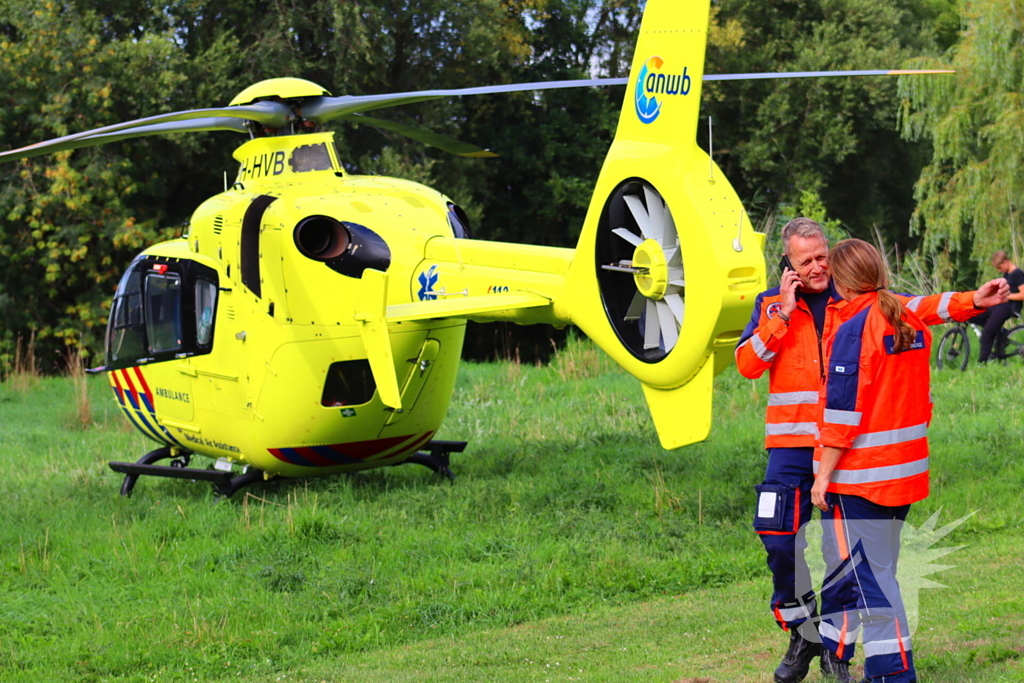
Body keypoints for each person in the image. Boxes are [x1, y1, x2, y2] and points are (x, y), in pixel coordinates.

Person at [734, 218, 1009, 683]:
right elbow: (746, 365)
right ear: (789, 264)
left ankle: (838, 650)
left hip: (845, 446)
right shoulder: (770, 305)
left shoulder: (854, 299)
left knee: (845, 556)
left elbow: (916, 305)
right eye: (807, 261)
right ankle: (801, 629)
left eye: (823, 256)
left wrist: (971, 302)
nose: (818, 266)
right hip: (793, 444)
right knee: (778, 540)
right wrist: (781, 314)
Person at [811, 238, 931, 683]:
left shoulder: (855, 327)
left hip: (861, 480)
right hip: (905, 476)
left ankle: (893, 675)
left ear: (842, 281)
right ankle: (886, 672)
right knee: (880, 575)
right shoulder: (909, 318)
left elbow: (843, 414)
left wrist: (822, 477)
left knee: (872, 583)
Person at [972, 250, 1024, 363]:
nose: (999, 270)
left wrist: (1008, 296)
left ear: (1005, 262)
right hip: (1001, 304)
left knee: (987, 332)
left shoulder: (1017, 273)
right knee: (975, 314)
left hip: (1010, 306)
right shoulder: (1007, 274)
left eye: (1000, 267)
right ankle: (1001, 333)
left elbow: (1023, 294)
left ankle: (983, 361)